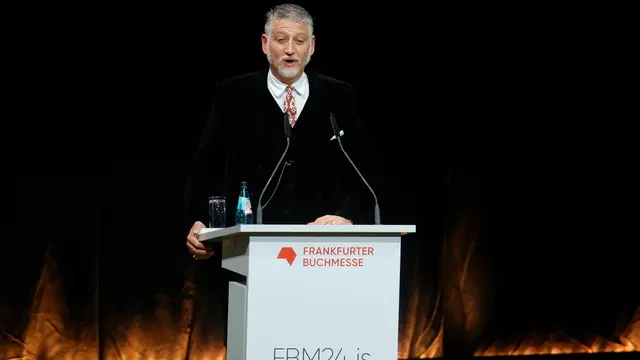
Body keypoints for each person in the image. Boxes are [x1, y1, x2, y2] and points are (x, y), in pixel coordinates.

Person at [184, 3, 378, 260]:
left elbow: (366, 170)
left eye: (299, 41)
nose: (290, 50)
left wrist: (347, 216)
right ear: (265, 44)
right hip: (246, 248)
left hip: (322, 251)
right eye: (281, 40)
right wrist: (199, 220)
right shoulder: (233, 94)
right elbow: (206, 166)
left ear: (312, 46)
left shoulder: (339, 96)